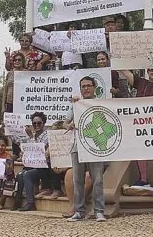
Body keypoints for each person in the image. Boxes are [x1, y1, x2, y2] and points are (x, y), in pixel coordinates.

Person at [121, 67, 153, 193]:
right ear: (147, 71)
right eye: (151, 70)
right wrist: (117, 53)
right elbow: (125, 71)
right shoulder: (141, 82)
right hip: (142, 125)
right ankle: (143, 179)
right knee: (140, 150)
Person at [65, 75, 106, 222]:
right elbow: (65, 123)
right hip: (77, 146)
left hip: (96, 146)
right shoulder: (76, 104)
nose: (86, 88)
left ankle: (99, 210)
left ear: (94, 87)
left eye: (89, 85)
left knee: (97, 179)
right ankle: (79, 211)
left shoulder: (101, 103)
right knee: (78, 180)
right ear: (80, 88)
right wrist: (68, 125)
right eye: (83, 86)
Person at [17, 112, 62, 210]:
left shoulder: (47, 135)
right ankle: (26, 202)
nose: (36, 125)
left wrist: (31, 138)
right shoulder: (31, 136)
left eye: (39, 123)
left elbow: (38, 149)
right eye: (34, 123)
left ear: (44, 123)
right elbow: (26, 148)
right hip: (36, 166)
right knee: (24, 174)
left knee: (29, 173)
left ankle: (51, 189)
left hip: (47, 165)